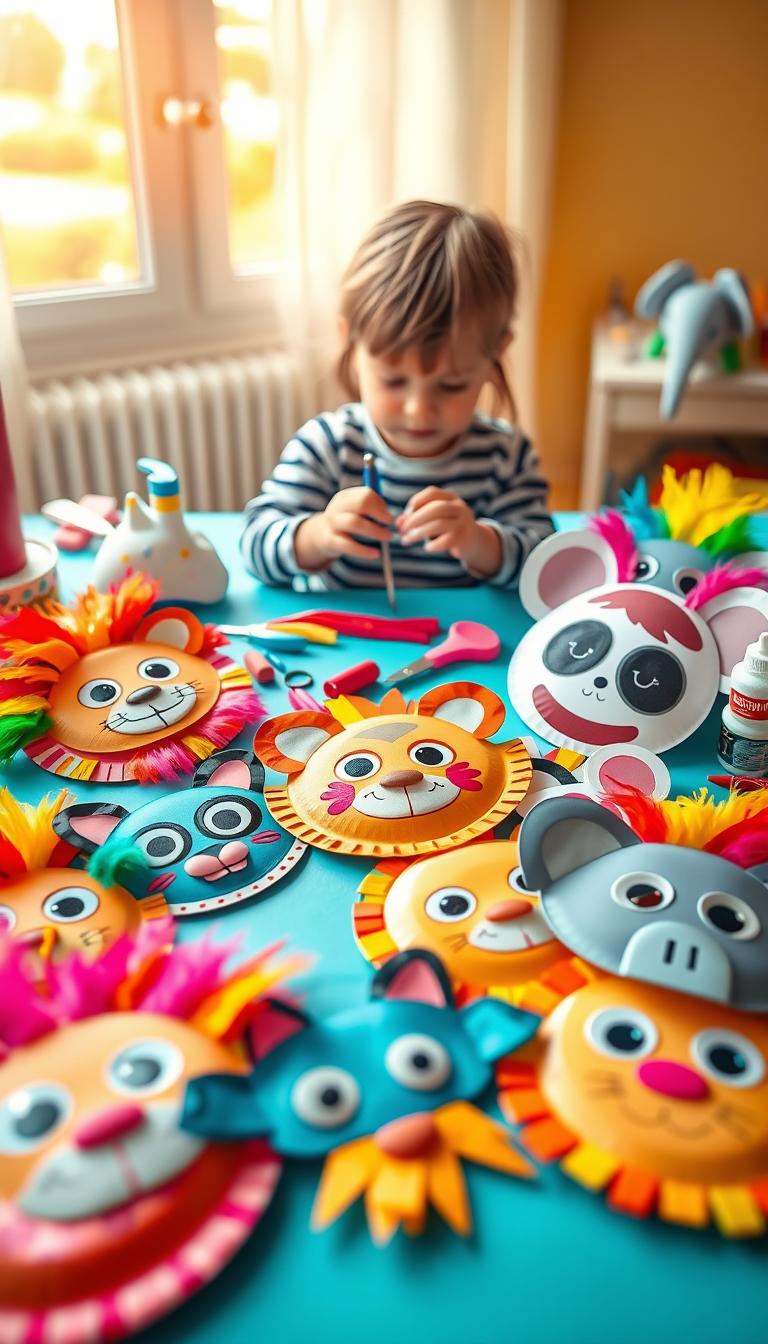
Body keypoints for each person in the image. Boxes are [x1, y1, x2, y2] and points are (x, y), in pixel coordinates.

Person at [240, 199, 553, 590]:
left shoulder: (504, 458)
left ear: (496, 355)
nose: (419, 411)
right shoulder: (327, 446)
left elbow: (547, 564)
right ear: (352, 347)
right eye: (393, 381)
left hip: (464, 647)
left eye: (451, 384)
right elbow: (254, 546)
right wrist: (318, 535)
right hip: (345, 647)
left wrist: (480, 543)